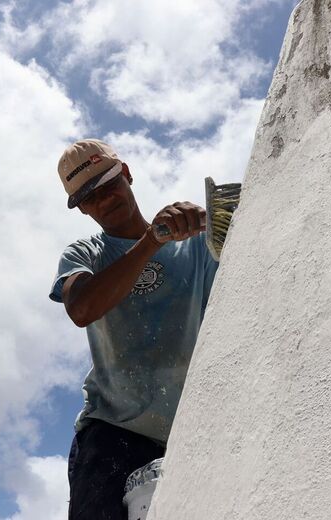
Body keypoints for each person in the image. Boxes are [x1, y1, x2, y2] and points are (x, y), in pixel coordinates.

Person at [50, 139, 219, 519]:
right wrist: (152, 240)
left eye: (109, 184)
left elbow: (235, 302)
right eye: (90, 197)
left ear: (126, 174)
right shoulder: (85, 253)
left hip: (188, 431)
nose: (104, 200)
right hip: (112, 431)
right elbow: (82, 308)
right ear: (82, 208)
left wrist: (223, 228)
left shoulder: (196, 248)